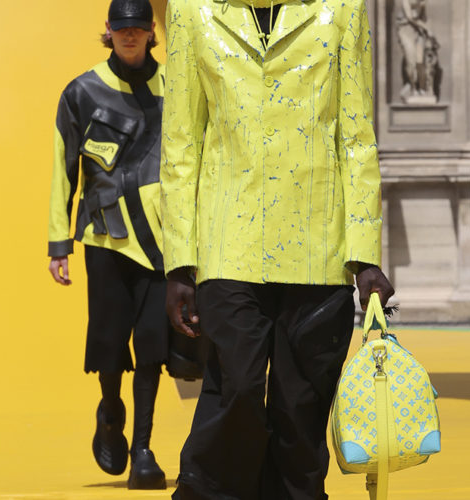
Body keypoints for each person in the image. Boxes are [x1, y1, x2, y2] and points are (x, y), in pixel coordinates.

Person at [160, 1, 395, 499]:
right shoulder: (192, 11)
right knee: (239, 388)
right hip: (227, 243)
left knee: (300, 409)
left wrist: (365, 254)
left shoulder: (342, 9)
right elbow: (181, 142)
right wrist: (179, 262)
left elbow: (356, 137)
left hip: (319, 246)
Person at [46, 0, 168, 489]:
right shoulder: (81, 91)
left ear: (152, 30)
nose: (130, 35)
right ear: (109, 31)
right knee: (110, 342)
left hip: (163, 241)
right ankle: (111, 407)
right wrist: (59, 242)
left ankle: (143, 448)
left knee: (154, 346)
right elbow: (63, 167)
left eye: (138, 27)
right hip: (106, 238)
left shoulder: (178, 88)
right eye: (122, 28)